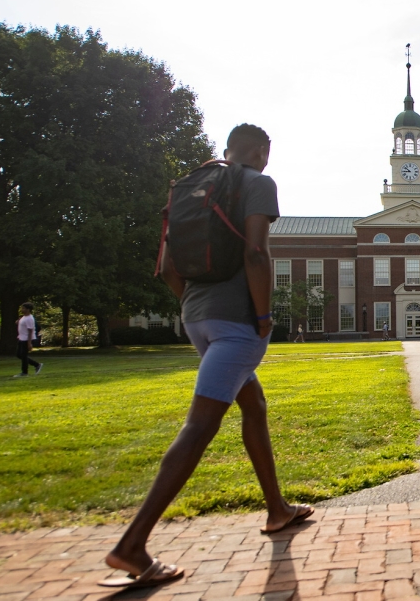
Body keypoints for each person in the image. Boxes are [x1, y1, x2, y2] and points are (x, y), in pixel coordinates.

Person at [100, 124, 311, 589]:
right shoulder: (257, 183)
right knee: (200, 425)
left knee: (252, 404)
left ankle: (277, 509)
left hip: (197, 318)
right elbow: (256, 253)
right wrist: (262, 316)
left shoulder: (190, 187)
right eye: (267, 153)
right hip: (237, 323)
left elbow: (166, 268)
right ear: (260, 151)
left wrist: (195, 305)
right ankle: (132, 546)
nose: (267, 161)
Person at [13, 302, 42, 378]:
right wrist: (18, 322)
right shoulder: (24, 317)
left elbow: (30, 330)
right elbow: (22, 324)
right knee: (19, 355)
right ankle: (37, 364)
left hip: (26, 339)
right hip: (21, 338)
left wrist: (29, 343)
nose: (22, 309)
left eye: (23, 308)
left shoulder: (30, 318)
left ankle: (24, 372)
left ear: (28, 309)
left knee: (24, 355)